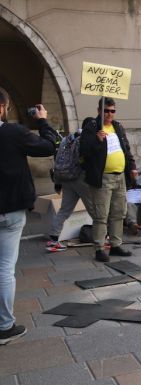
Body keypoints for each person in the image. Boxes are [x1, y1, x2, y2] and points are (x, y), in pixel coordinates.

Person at [0, 95, 56, 344]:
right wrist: (42, 121)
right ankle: (4, 326)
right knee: (4, 268)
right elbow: (48, 146)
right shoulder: (13, 133)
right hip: (10, 210)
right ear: (2, 107)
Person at [79, 98, 137, 263]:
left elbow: (126, 149)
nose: (109, 114)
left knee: (119, 213)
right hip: (102, 178)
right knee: (101, 215)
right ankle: (99, 248)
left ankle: (115, 245)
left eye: (112, 111)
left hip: (119, 177)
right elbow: (84, 152)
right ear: (99, 111)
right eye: (106, 110)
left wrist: (132, 167)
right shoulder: (91, 127)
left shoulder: (117, 126)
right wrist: (97, 140)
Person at [46, 126, 95, 252]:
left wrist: (57, 182)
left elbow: (57, 161)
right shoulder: (84, 140)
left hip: (66, 179)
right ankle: (102, 237)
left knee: (64, 210)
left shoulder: (66, 140)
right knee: (95, 210)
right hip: (80, 179)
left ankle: (53, 240)